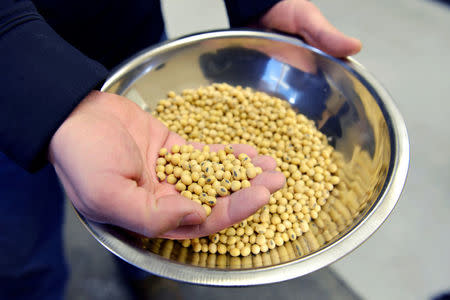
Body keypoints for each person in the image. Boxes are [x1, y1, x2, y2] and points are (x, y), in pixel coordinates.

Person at [0, 0, 362, 299]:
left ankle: (144, 272)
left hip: (125, 34)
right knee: (21, 250)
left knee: (147, 209)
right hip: (9, 89)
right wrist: (35, 78)